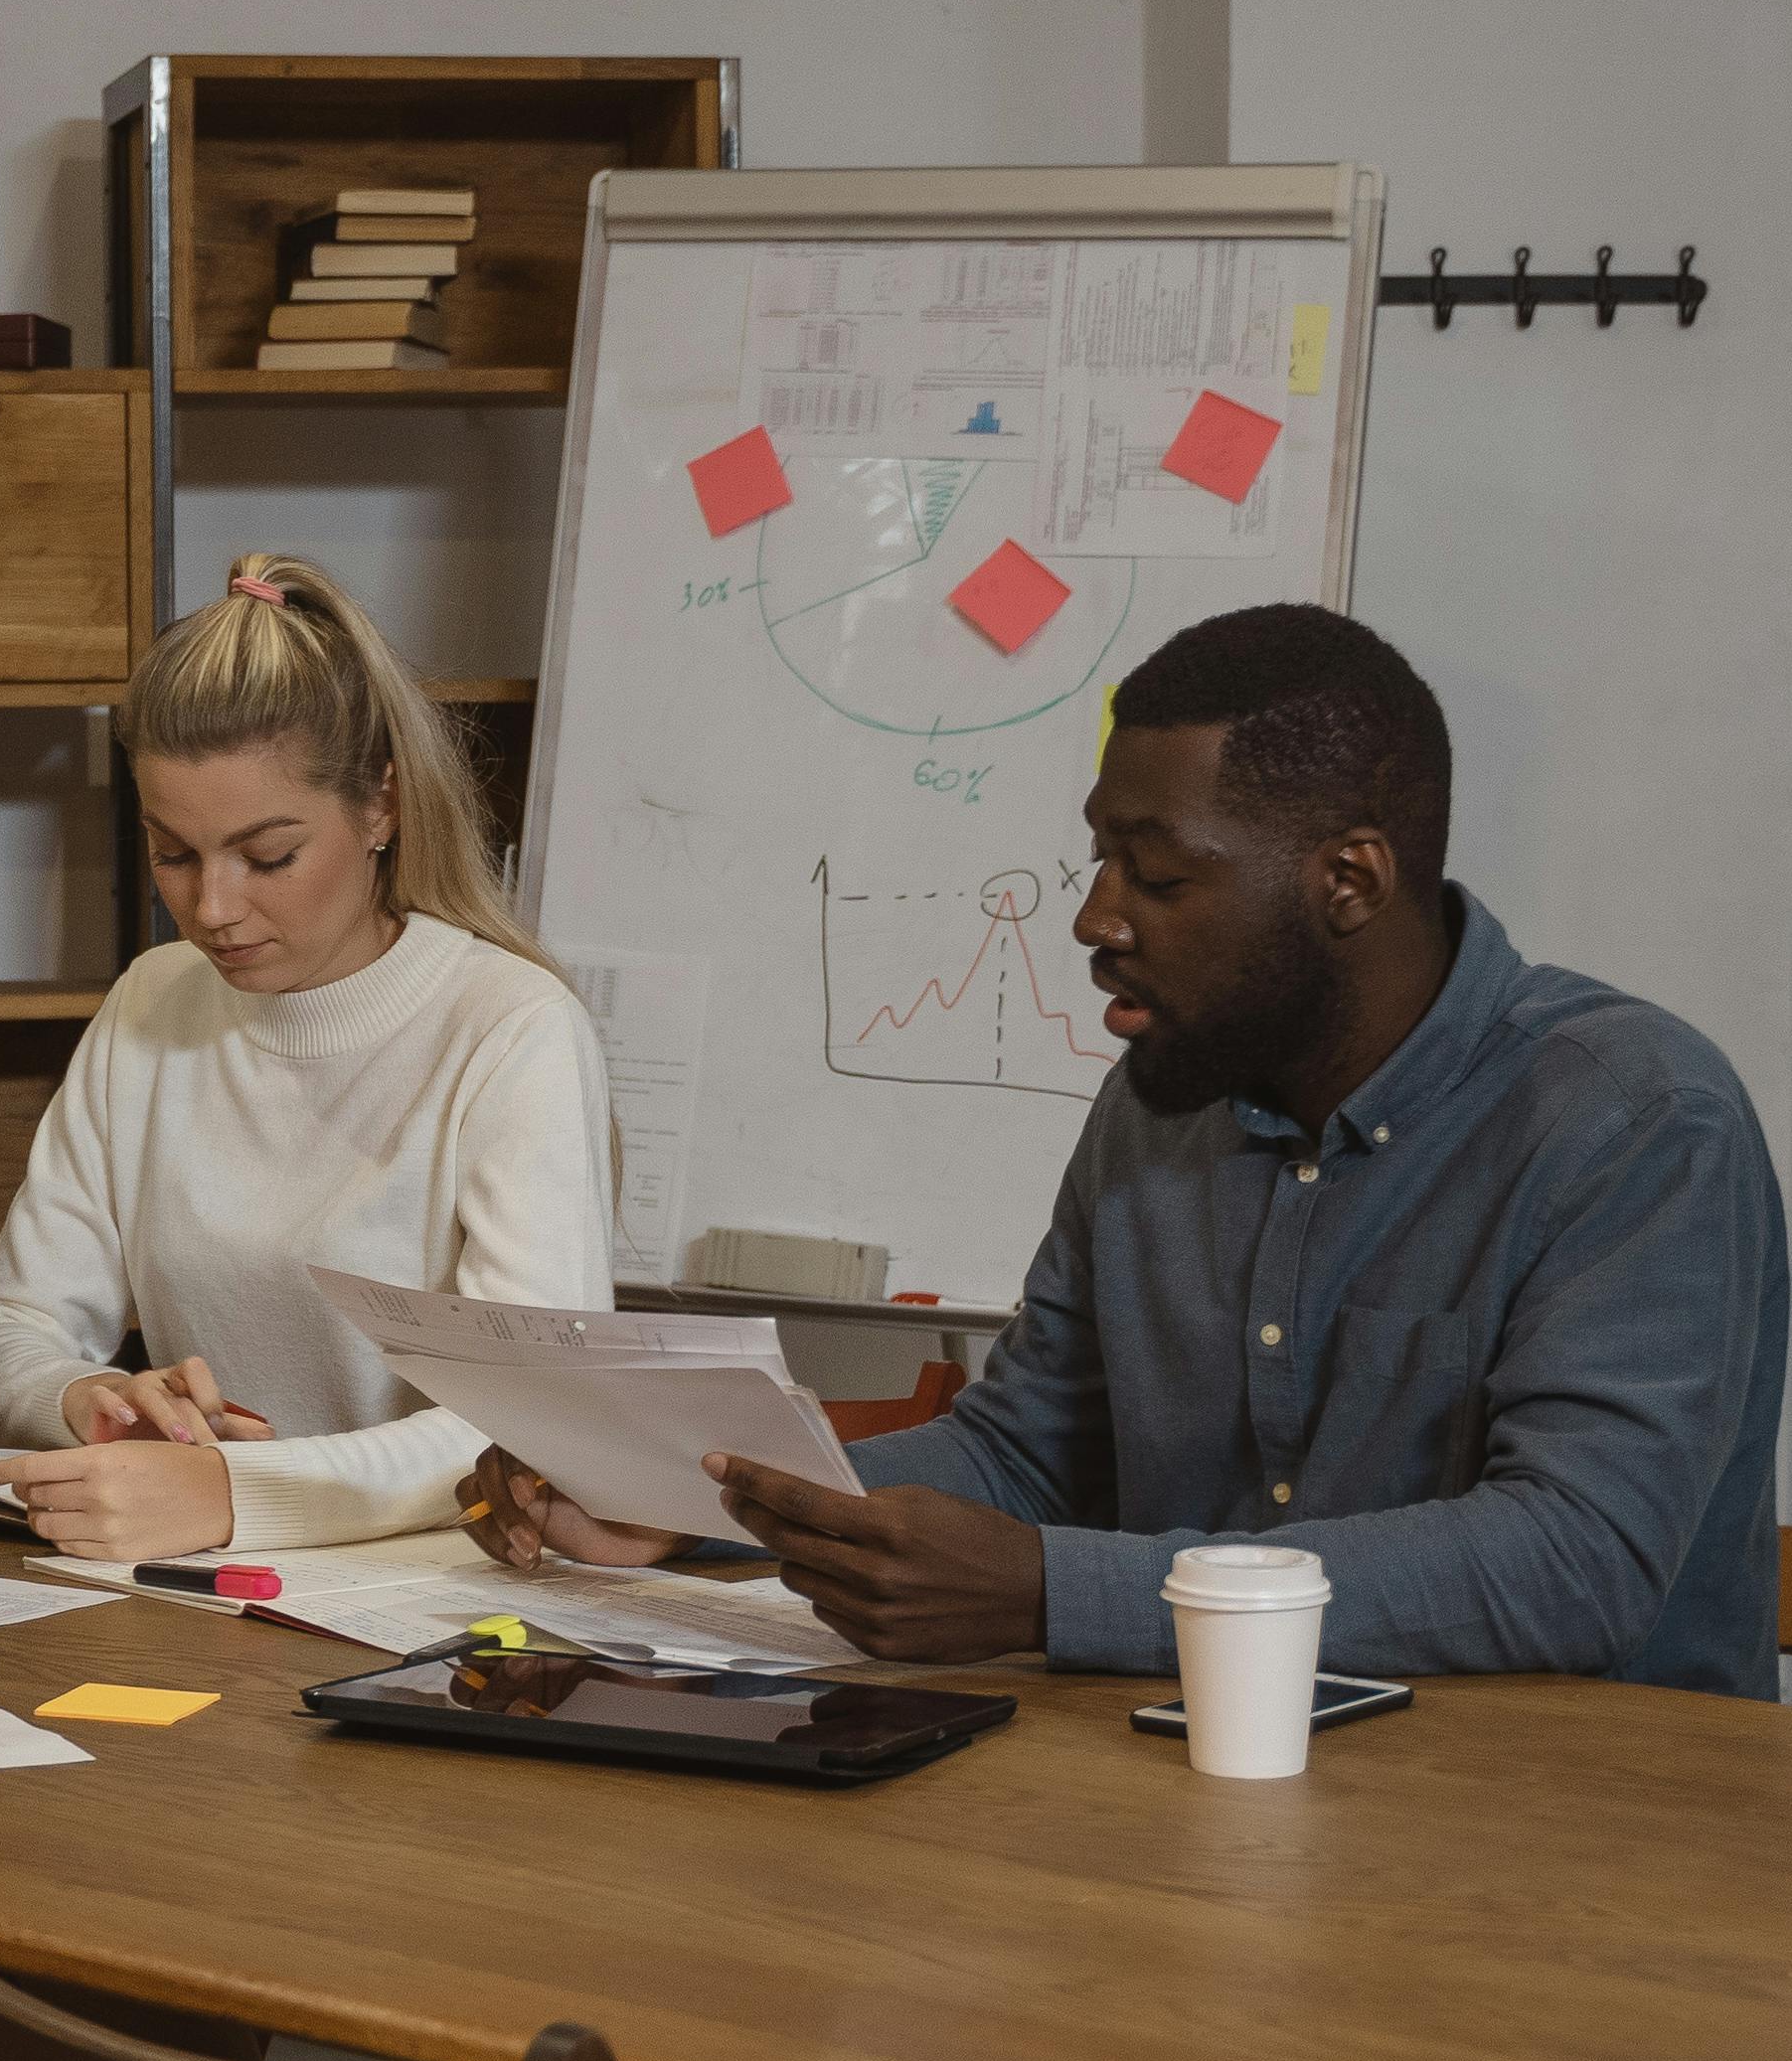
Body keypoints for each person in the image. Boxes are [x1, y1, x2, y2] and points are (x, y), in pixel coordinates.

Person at [471, 603, 1786, 1698]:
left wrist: (1055, 1591)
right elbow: (1032, 1450)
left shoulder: (1636, 1121)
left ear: (1347, 879)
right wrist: (702, 1505)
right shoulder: (1160, 1101)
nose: (1095, 916)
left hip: (1575, 1858)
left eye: (1155, 874)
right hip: (1200, 1794)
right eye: (1100, 858)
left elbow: (1575, 1559)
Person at [0, 554, 615, 1562]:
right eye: (172, 851)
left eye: (267, 856)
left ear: (381, 805)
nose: (211, 906)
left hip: (439, 1608)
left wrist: (234, 1491)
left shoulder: (509, 1028)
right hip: (195, 1577)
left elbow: (532, 1427)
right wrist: (85, 1398)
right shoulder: (150, 1003)